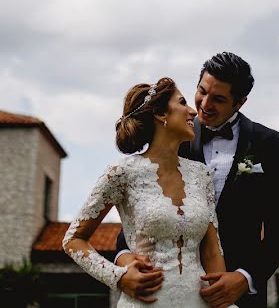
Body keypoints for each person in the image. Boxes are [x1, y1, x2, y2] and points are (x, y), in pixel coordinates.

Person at [115, 52, 279, 308]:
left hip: (239, 297)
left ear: (240, 102)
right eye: (202, 91)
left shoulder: (271, 145)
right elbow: (138, 216)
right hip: (166, 293)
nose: (205, 104)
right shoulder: (173, 138)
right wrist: (125, 263)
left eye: (219, 99)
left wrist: (245, 278)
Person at [63, 77, 238, 308]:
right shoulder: (121, 173)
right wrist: (118, 277)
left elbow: (212, 251)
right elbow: (73, 240)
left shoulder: (201, 175)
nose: (193, 111)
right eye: (183, 102)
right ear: (161, 114)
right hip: (147, 302)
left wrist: (221, 301)